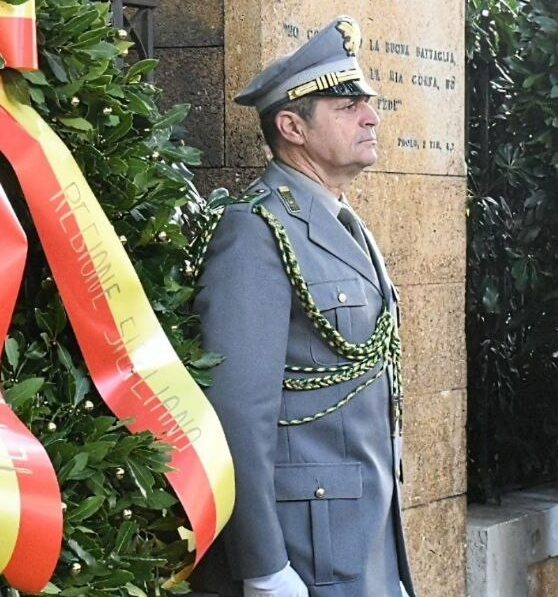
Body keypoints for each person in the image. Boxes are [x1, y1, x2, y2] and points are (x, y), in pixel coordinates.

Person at [189, 17, 413, 597]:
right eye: (346, 104)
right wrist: (262, 563)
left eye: (367, 101)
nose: (370, 115)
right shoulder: (256, 229)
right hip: (304, 547)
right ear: (291, 125)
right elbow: (239, 408)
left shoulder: (341, 221)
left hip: (361, 534)